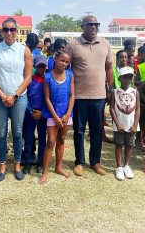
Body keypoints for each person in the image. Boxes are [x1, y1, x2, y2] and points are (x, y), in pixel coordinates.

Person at [0, 17, 32, 182]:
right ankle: (3, 165)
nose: (9, 33)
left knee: (18, 132)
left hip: (19, 98)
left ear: (17, 31)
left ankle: (17, 165)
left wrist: (15, 95)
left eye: (12, 29)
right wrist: (3, 95)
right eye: (5, 29)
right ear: (1, 31)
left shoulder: (24, 50)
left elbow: (28, 77)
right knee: (2, 133)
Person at [66, 15, 113, 176]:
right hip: (79, 96)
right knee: (79, 131)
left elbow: (108, 68)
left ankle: (95, 162)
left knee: (97, 131)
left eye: (96, 24)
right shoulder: (73, 45)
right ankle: (79, 162)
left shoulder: (105, 43)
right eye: (90, 24)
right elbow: (66, 67)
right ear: (82, 26)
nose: (94, 27)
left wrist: (110, 89)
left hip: (99, 96)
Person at [39, 50, 74, 184]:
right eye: (61, 60)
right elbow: (47, 98)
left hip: (66, 115)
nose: (64, 63)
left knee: (61, 140)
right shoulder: (47, 77)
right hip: (52, 115)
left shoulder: (70, 75)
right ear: (55, 59)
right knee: (51, 142)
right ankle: (45, 172)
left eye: (66, 62)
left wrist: (67, 114)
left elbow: (72, 95)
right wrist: (55, 116)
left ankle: (58, 167)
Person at [110, 67, 139, 181]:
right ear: (120, 78)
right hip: (119, 124)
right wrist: (117, 124)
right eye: (125, 77)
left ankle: (126, 165)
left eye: (130, 76)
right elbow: (112, 108)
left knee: (129, 145)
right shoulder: (115, 92)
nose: (127, 79)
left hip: (131, 124)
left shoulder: (135, 92)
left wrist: (135, 124)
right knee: (118, 145)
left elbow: (137, 109)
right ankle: (119, 167)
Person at [23, 55, 48, 174]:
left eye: (43, 67)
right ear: (34, 67)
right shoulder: (29, 80)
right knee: (28, 138)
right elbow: (25, 96)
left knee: (42, 139)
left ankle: (40, 163)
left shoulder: (48, 80)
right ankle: (27, 163)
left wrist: (42, 111)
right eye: (39, 67)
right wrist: (31, 110)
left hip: (43, 114)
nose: (41, 69)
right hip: (30, 113)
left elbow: (49, 98)